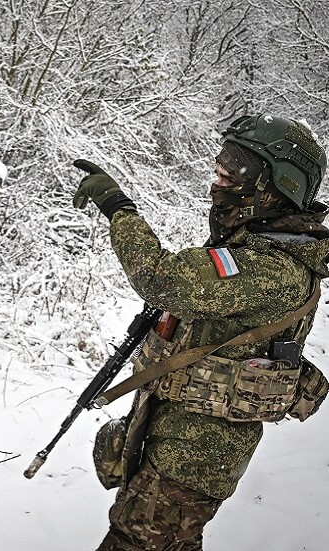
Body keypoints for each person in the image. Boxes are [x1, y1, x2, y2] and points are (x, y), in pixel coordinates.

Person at [72, 113, 329, 551]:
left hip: (195, 456)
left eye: (234, 169)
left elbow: (162, 279)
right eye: (222, 164)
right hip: (179, 436)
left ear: (274, 187)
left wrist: (119, 208)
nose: (219, 175)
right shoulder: (257, 248)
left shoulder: (272, 267)